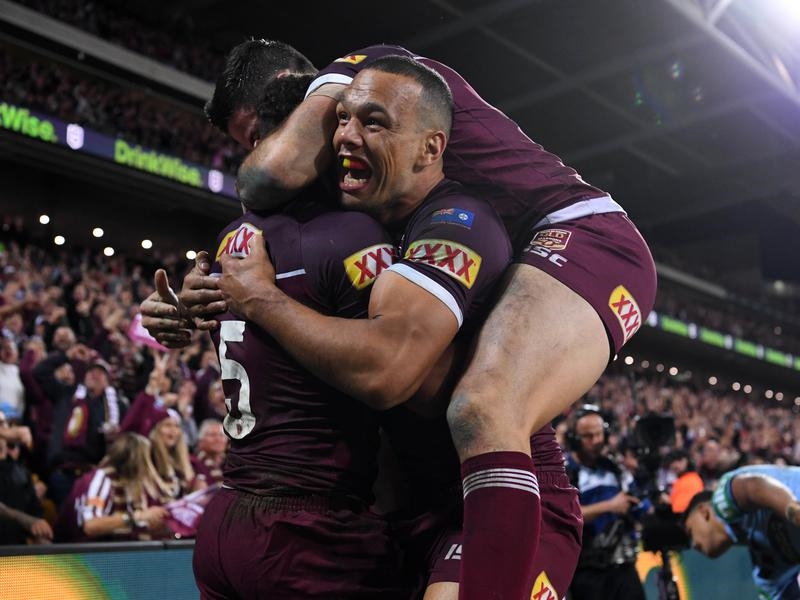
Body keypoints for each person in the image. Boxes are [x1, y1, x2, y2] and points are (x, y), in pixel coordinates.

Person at [144, 40, 585, 600]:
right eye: (345, 121)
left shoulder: (454, 221)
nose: (262, 167)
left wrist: (258, 300)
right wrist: (189, 306)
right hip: (378, 511)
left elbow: (398, 377)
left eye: (370, 123)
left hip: (480, 494)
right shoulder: (339, 229)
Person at [230, 41, 655, 599]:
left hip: (583, 233)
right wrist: (205, 288)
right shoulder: (361, 222)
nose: (340, 139)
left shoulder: (373, 78)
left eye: (260, 135)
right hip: (413, 506)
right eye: (342, 122)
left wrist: (259, 294)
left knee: (482, 405)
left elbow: (266, 177)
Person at [565, 405, 646, 600]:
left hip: (623, 566)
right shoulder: (563, 472)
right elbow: (565, 517)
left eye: (599, 434)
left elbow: (639, 505)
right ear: (574, 439)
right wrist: (610, 506)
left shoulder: (615, 467)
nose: (596, 441)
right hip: (586, 570)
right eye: (588, 436)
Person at [684, 465, 800, 600]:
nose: (693, 544)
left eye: (690, 532)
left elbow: (752, 487)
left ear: (703, 511)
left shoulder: (721, 501)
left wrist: (796, 513)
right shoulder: (765, 568)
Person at [54, 432, 170, 542]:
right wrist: (138, 517)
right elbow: (91, 526)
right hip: (82, 552)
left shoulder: (130, 483)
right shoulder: (101, 479)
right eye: (148, 459)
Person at [190, 419, 226, 488]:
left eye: (221, 435)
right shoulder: (192, 462)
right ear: (200, 440)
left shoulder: (232, 463)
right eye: (212, 435)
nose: (218, 439)